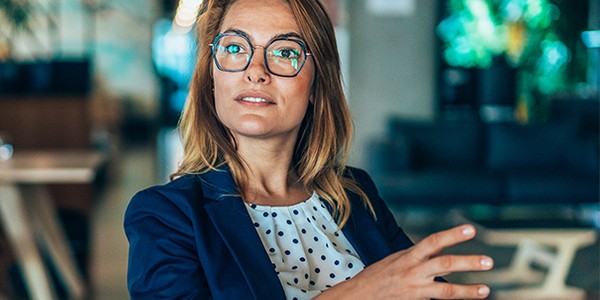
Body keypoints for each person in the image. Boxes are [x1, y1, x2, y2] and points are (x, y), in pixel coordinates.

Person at [124, 0, 494, 298]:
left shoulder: (355, 194)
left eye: (285, 53)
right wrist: (360, 292)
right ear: (211, 79)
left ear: (317, 85)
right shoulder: (165, 215)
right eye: (235, 47)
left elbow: (415, 287)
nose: (256, 70)